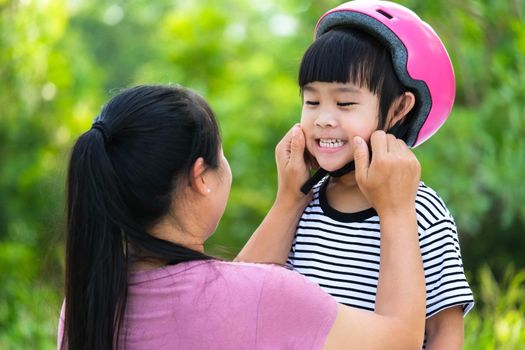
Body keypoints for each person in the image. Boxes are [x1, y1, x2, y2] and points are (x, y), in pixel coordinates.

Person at [58, 84, 425, 349]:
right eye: (222, 152)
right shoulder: (264, 297)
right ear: (200, 177)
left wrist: (289, 201)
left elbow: (227, 303)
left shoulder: (86, 306)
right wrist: (395, 208)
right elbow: (400, 339)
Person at [237, 1, 474, 349]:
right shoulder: (305, 201)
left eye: (345, 104)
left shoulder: (422, 211)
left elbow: (443, 331)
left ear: (399, 109)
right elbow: (240, 297)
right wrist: (288, 199)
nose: (324, 119)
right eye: (312, 101)